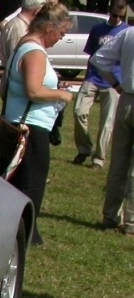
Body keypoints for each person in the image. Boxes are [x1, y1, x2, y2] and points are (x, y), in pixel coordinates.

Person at [0, 0, 75, 246]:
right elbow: (34, 91)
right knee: (30, 186)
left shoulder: (25, 45)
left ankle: (19, 232)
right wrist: (61, 94)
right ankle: (25, 235)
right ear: (49, 27)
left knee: (15, 183)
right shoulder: (34, 51)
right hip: (30, 129)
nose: (61, 38)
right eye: (61, 33)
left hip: (19, 124)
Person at [90, 20, 134, 234]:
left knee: (118, 161)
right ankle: (131, 221)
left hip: (126, 98)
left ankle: (110, 215)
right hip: (125, 93)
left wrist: (116, 84)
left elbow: (99, 58)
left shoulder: (128, 34)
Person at [72, 1, 128, 167]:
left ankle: (99, 159)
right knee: (78, 111)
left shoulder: (126, 32)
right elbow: (91, 55)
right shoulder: (97, 29)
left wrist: (121, 82)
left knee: (107, 123)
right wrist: (86, 76)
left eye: (120, 16)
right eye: (114, 15)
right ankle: (84, 148)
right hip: (93, 78)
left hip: (113, 82)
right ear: (109, 13)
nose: (117, 19)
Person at [0, 0, 44, 75]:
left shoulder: (18, 25)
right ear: (37, 11)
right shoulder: (20, 30)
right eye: (43, 11)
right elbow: (18, 65)